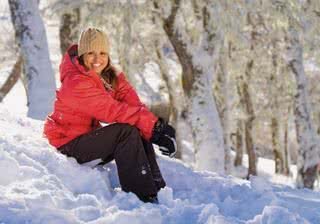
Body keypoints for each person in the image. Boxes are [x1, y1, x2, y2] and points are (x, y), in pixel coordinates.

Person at [43, 27, 177, 203]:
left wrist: (155, 127)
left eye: (103, 53)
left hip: (86, 138)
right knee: (126, 132)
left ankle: (156, 187)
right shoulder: (77, 83)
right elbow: (114, 111)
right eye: (91, 53)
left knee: (136, 126)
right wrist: (154, 129)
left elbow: (131, 102)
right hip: (68, 145)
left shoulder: (103, 76)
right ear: (82, 55)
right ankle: (142, 197)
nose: (98, 59)